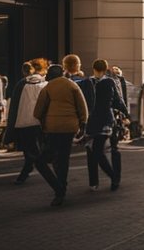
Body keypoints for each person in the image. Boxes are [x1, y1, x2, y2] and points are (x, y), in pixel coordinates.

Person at [34, 63, 87, 206]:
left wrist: (42, 122)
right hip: (70, 128)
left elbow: (38, 111)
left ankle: (58, 188)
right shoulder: (72, 86)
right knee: (63, 158)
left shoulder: (47, 87)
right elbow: (82, 107)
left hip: (53, 128)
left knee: (41, 161)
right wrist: (82, 124)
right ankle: (61, 189)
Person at [4, 60, 56, 191]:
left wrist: (10, 127)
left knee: (30, 151)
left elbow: (14, 107)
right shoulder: (46, 84)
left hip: (24, 122)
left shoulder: (21, 84)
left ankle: (27, 172)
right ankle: (33, 171)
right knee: (38, 150)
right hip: (40, 122)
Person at [81, 59, 128, 191]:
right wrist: (126, 114)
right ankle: (113, 177)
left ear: (93, 68)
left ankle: (95, 182)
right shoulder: (109, 82)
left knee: (94, 151)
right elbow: (118, 100)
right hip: (105, 120)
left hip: (92, 121)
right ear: (106, 68)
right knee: (98, 151)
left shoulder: (87, 82)